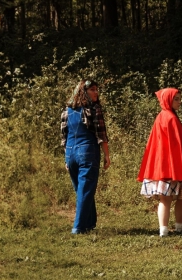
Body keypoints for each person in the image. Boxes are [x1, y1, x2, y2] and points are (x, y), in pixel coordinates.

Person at [137, 88, 182, 237]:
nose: (179, 102)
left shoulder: (161, 116)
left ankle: (164, 231)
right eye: (176, 99)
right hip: (174, 166)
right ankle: (178, 229)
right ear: (167, 99)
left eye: (180, 99)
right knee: (179, 198)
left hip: (162, 165)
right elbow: (177, 146)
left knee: (166, 199)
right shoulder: (171, 118)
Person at [60, 79, 111, 234]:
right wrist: (107, 156)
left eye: (96, 89)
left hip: (70, 153)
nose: (96, 93)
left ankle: (89, 222)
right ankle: (78, 227)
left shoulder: (66, 111)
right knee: (85, 190)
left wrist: (66, 158)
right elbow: (101, 135)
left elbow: (63, 137)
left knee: (82, 190)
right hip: (87, 152)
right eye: (92, 90)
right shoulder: (93, 109)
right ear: (83, 92)